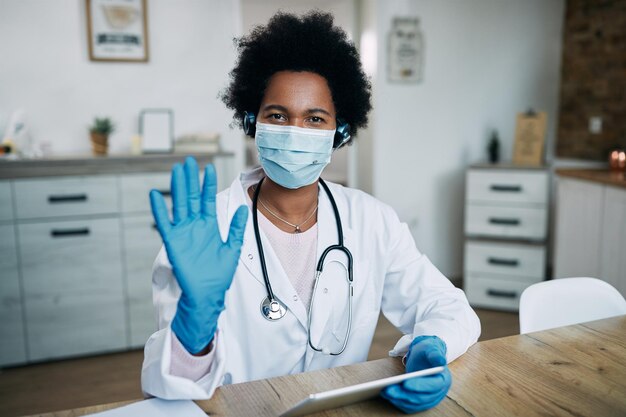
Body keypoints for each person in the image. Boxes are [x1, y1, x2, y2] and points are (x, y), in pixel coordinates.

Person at [141, 11, 480, 413]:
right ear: (252, 121)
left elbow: (448, 306)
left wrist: (430, 344)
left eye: (315, 119)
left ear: (340, 131)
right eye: (278, 115)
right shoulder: (203, 229)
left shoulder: (371, 221)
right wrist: (193, 327)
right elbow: (166, 393)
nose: (295, 131)